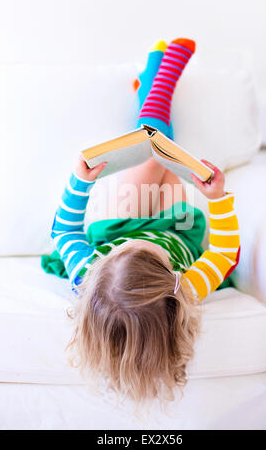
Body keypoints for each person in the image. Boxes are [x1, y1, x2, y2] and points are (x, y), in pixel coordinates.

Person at [45, 38, 240, 405]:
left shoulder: (87, 276)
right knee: (166, 158)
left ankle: (154, 87)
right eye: (150, 254)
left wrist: (81, 182)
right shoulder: (184, 291)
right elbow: (226, 250)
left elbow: (64, 231)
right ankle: (153, 87)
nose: (143, 242)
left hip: (123, 220)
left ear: (103, 263)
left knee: (152, 154)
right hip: (176, 228)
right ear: (173, 281)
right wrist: (216, 199)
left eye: (127, 252)